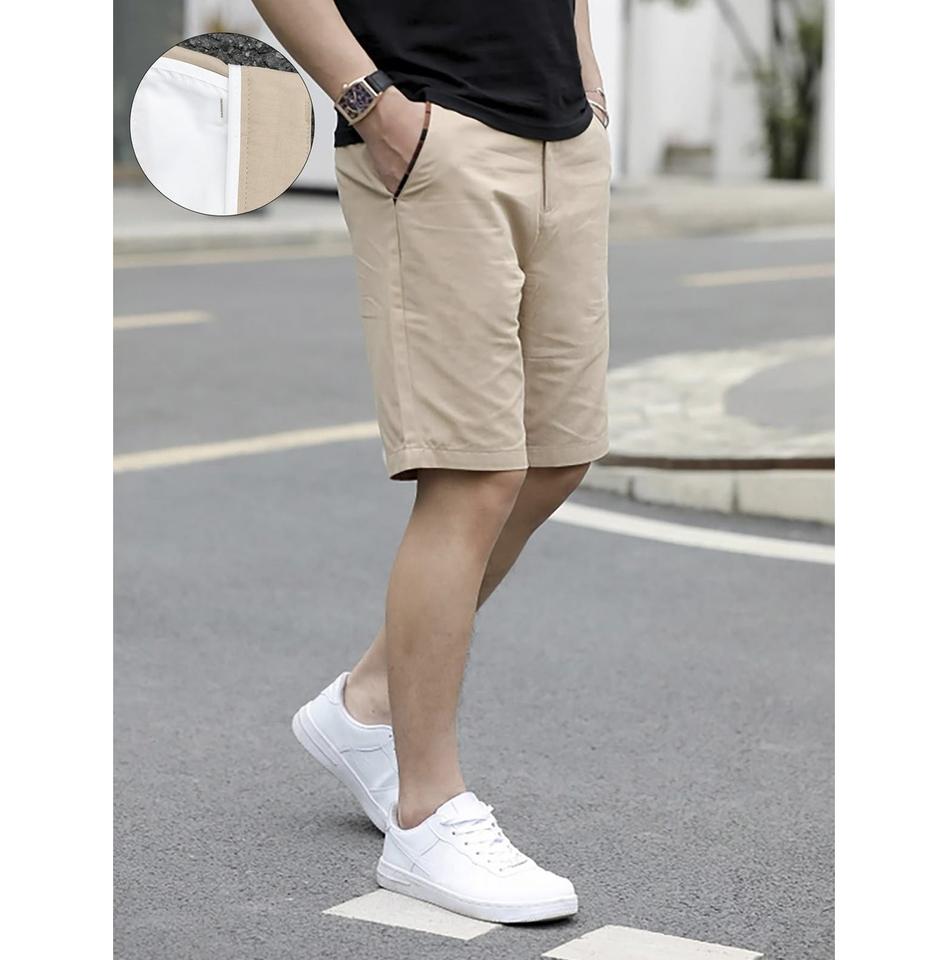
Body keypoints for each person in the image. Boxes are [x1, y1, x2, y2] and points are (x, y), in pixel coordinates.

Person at [253, 0, 611, 924]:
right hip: (431, 130)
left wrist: (587, 80)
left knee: (558, 455)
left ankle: (368, 703)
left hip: (562, 136)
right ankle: (426, 816)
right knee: (472, 474)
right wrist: (372, 104)